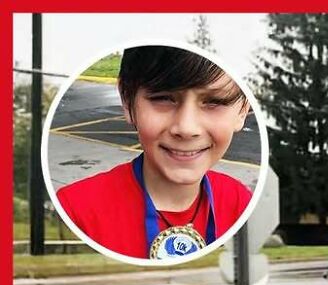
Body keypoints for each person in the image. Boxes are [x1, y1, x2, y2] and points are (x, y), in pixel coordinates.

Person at [57, 45, 252, 261]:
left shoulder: (240, 202)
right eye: (163, 98)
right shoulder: (75, 212)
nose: (186, 128)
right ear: (127, 100)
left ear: (243, 109)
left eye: (215, 101)